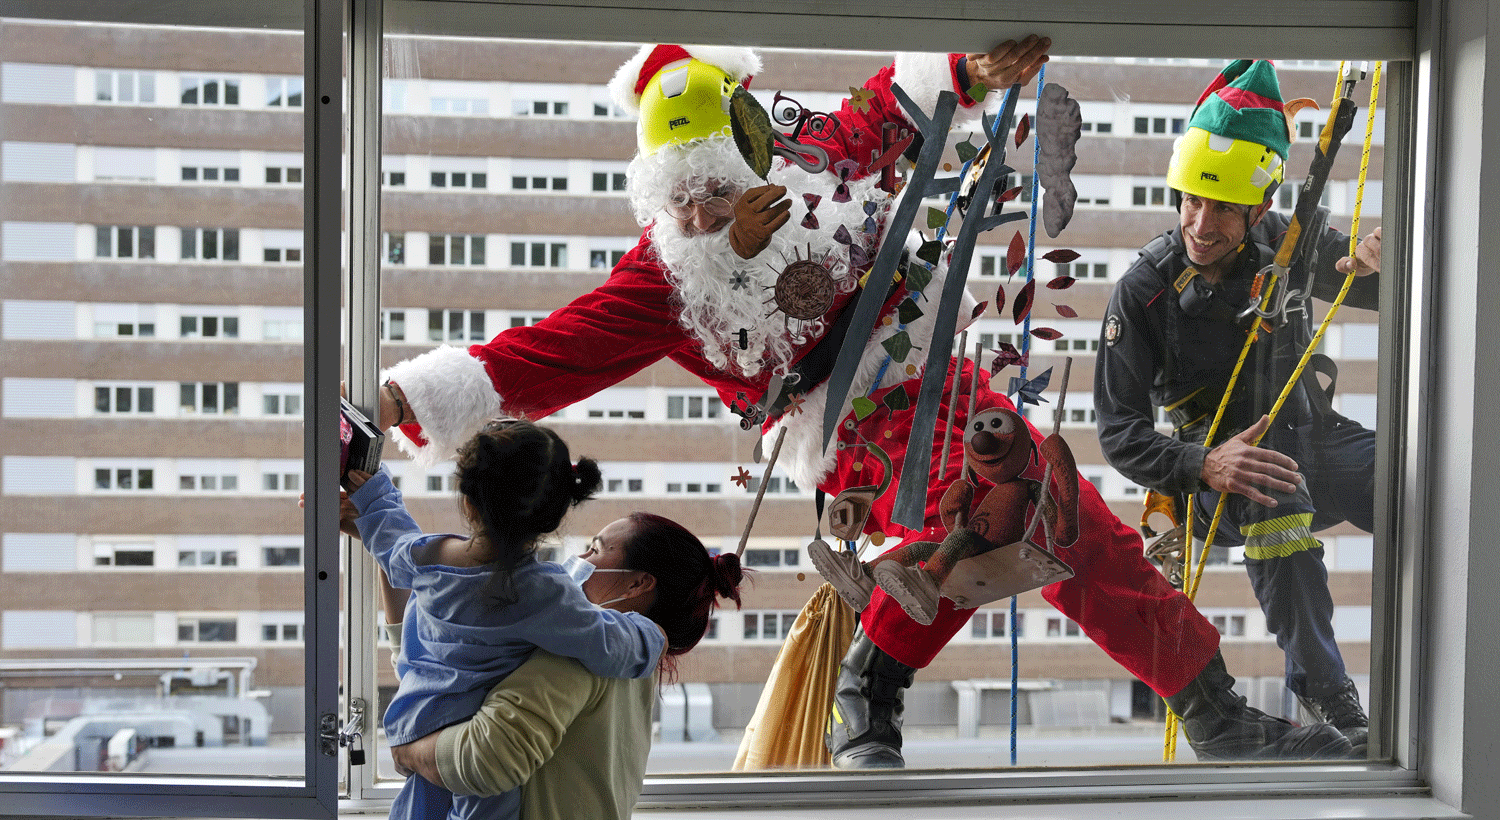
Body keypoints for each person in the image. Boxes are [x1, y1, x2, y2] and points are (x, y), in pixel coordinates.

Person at [372, 38, 1352, 766]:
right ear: (658, 204)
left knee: (1072, 520)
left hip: (942, 380)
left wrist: (973, 66)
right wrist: (393, 398)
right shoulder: (659, 286)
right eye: (687, 205)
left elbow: (893, 107)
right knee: (963, 509)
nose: (711, 220)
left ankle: (1212, 709)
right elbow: (541, 354)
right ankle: (869, 686)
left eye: (724, 193)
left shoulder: (813, 162)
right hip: (852, 437)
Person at [1093, 59, 1382, 753]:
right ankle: (1325, 690)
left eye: (1222, 206)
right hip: (1221, 470)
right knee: (1272, 490)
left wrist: (1381, 258)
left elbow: (1368, 279)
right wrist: (1202, 464)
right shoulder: (1145, 291)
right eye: (1191, 199)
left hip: (1315, 434)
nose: (1201, 221)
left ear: (1255, 207)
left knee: (1414, 479)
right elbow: (1118, 434)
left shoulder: (1288, 238)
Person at [345, 418, 667, 819]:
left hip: (416, 717)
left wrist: (372, 485)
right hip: (467, 730)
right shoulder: (541, 593)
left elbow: (388, 529)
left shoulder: (427, 558)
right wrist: (650, 636)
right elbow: (605, 643)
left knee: (417, 807)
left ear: (467, 502)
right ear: (552, 519)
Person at [382, 512, 744, 820]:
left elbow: (488, 760)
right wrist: (388, 557)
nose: (581, 557)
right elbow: (434, 668)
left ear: (637, 583)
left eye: (597, 549)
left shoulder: (579, 654)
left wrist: (407, 750)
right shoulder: (633, 656)